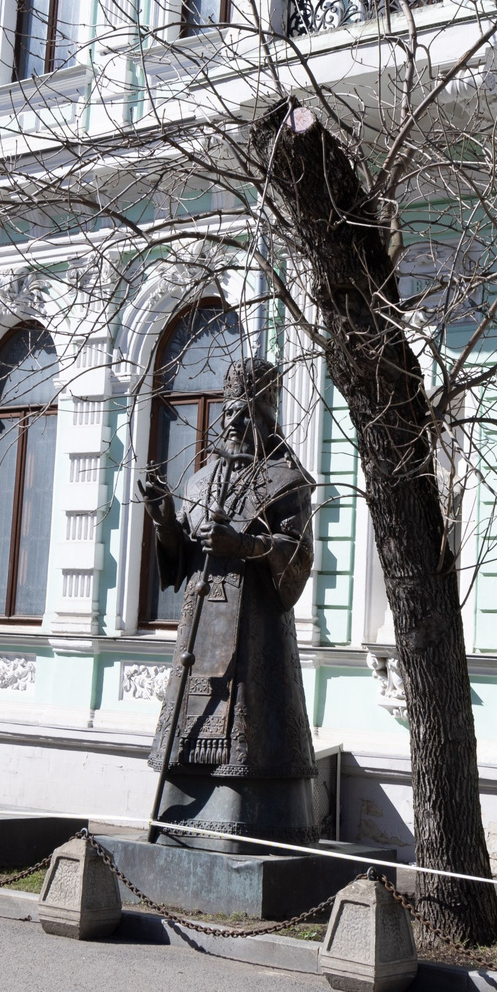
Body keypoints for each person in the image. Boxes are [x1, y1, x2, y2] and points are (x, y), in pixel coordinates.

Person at [138, 359, 321, 849]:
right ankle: (182, 816)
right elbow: (183, 561)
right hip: (202, 628)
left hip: (255, 630)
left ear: (266, 415)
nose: (234, 421)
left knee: (255, 723)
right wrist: (163, 521)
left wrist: (242, 546)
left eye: (246, 412)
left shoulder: (286, 480)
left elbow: (298, 553)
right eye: (229, 411)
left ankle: (248, 820)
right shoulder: (201, 479)